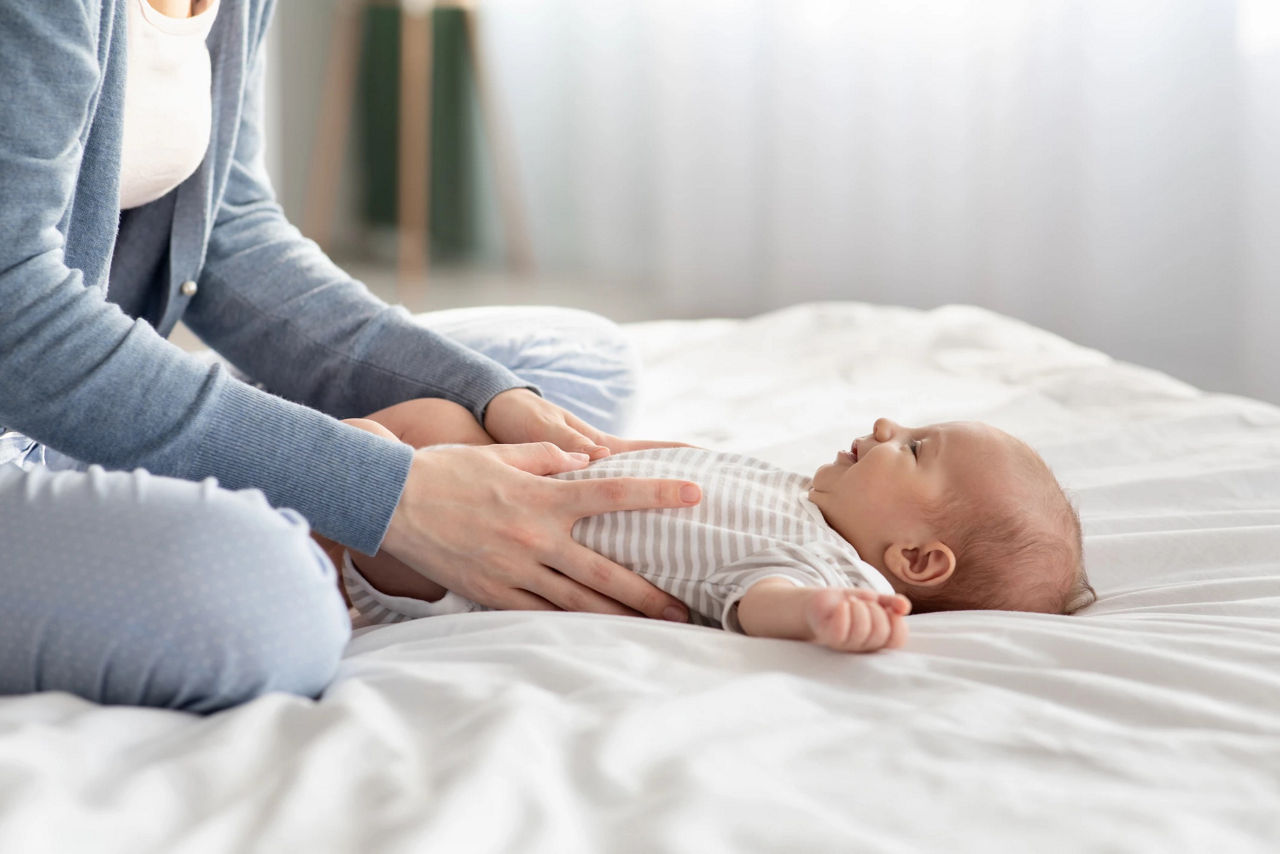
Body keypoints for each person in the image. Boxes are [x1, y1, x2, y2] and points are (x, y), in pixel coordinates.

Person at [0, 0, 701, 714]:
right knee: (273, 612)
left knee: (577, 371)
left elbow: (231, 236)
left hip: (65, 416)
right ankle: (319, 536)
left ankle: (315, 519)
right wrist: (386, 492)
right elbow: (16, 322)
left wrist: (486, 395)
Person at [336, 403, 1098, 651]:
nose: (886, 423)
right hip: (511, 485)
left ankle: (288, 513)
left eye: (917, 449)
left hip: (479, 566)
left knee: (374, 470)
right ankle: (278, 458)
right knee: (436, 421)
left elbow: (757, 600)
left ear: (917, 561)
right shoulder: (804, 492)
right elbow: (664, 458)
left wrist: (818, 616)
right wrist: (591, 447)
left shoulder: (830, 569)